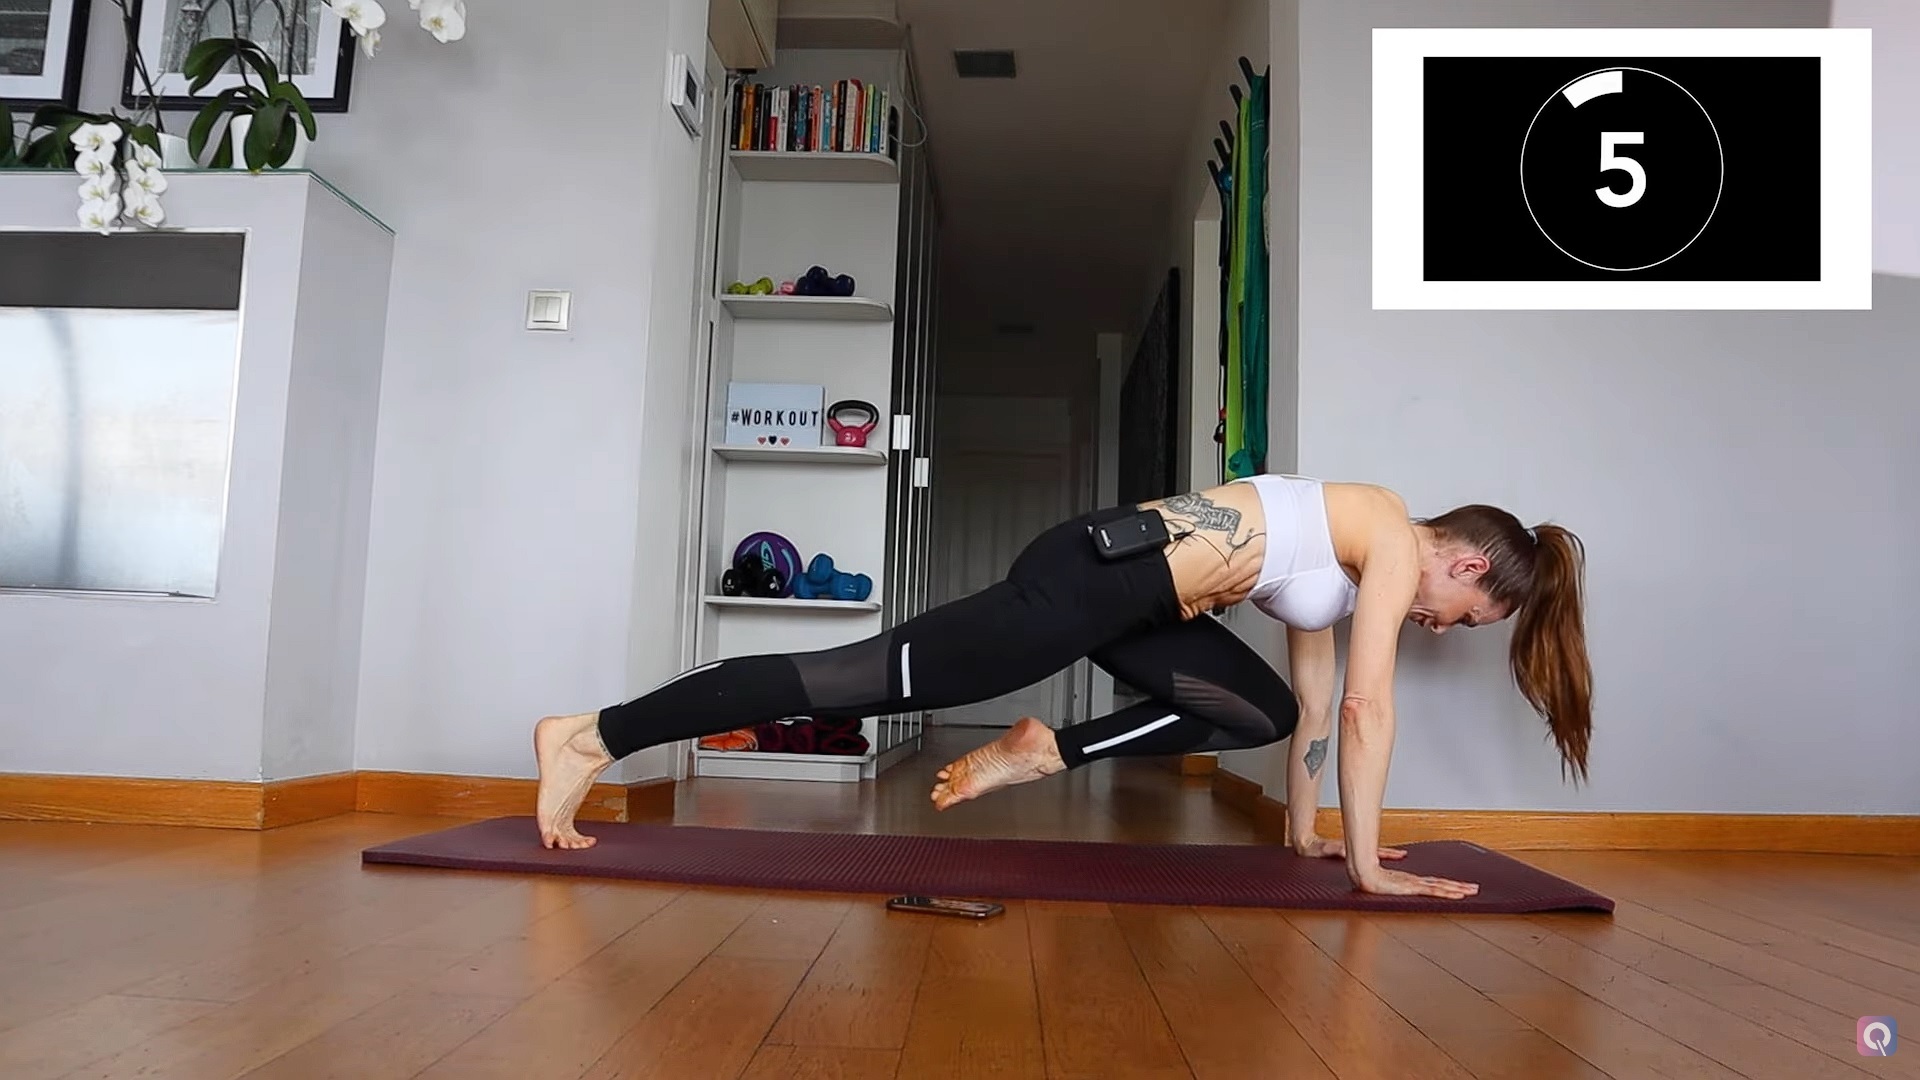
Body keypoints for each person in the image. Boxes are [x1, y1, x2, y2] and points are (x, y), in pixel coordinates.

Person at [531, 474, 1591, 900]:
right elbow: (1370, 709)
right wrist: (1369, 871)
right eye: (1464, 615)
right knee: (851, 681)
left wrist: (1310, 837)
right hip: (1093, 576)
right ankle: (594, 733)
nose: (1437, 626)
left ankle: (1046, 752)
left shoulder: (1349, 557)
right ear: (1465, 564)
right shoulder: (1391, 536)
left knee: (1257, 709)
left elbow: (1315, 710)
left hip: (1143, 606)